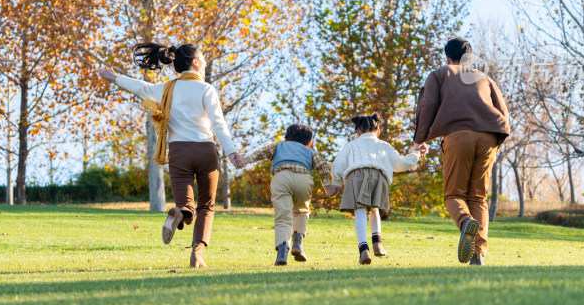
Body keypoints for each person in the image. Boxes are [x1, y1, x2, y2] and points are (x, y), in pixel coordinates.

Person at [97, 42, 240, 268]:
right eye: (203, 59)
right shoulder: (206, 89)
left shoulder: (166, 88)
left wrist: (115, 78)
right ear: (195, 63)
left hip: (178, 152)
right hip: (205, 150)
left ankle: (180, 212)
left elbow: (141, 87)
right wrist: (231, 151)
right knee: (206, 206)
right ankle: (198, 254)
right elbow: (218, 124)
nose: (204, 62)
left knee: (186, 205)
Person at [413, 37, 510, 266]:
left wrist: (420, 139)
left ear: (447, 57)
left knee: (454, 195)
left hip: (458, 136)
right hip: (489, 136)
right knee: (478, 196)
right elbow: (502, 111)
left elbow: (428, 105)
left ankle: (465, 222)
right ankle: (478, 254)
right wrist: (496, 141)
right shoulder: (484, 78)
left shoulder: (439, 74)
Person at [327, 114, 425, 265]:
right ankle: (377, 243)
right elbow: (401, 164)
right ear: (378, 131)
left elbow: (338, 165)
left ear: (358, 131)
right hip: (378, 177)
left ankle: (363, 249)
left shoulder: (351, 145)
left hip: (356, 176)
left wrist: (336, 183)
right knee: (374, 209)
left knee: (359, 211)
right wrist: (416, 153)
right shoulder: (384, 146)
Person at [234, 123, 337, 266]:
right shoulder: (310, 151)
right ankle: (298, 243)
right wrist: (327, 186)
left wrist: (246, 160)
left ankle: (282, 251)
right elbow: (323, 165)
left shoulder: (278, 146)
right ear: (309, 142)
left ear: (286, 138)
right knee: (301, 211)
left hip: (281, 178)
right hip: (303, 179)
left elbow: (261, 152)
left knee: (283, 217)